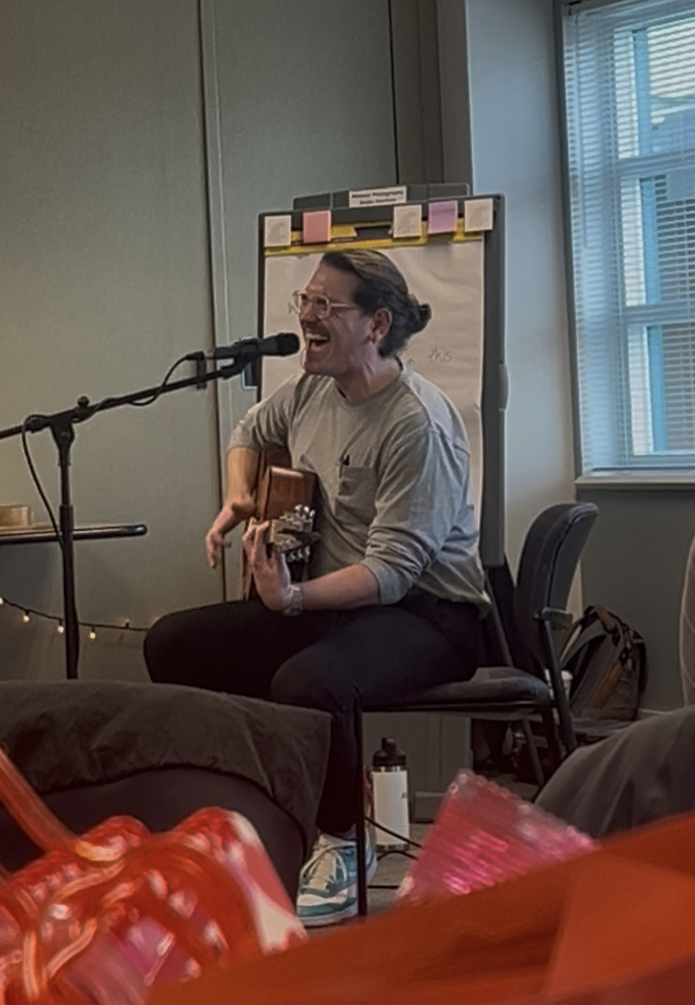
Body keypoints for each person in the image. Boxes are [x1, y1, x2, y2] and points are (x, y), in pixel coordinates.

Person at [144, 249, 489, 926]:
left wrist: (293, 600)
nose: (305, 314)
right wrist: (240, 495)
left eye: (325, 305)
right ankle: (252, 814)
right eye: (305, 300)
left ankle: (340, 839)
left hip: (431, 615)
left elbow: (392, 572)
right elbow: (251, 428)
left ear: (376, 324)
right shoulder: (311, 387)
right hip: (336, 599)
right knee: (174, 643)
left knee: (310, 682)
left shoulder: (416, 422)